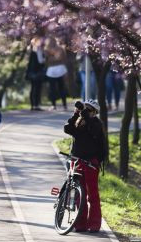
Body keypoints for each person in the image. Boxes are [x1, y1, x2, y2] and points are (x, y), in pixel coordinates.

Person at [63, 99, 108, 232]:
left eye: (89, 109)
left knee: (92, 195)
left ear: (95, 112)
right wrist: (76, 114)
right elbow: (67, 129)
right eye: (85, 108)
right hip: (77, 161)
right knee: (79, 194)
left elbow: (94, 133)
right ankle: (80, 224)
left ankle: (94, 224)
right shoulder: (79, 122)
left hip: (91, 163)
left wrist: (87, 118)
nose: (86, 111)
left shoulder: (97, 123)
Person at [44, 38, 68, 110]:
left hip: (60, 69)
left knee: (61, 88)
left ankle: (64, 105)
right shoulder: (46, 50)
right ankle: (54, 105)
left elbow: (61, 58)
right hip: (51, 71)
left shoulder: (60, 48)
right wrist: (54, 57)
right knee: (53, 89)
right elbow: (47, 60)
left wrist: (52, 57)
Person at [25, 38, 46, 111]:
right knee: (35, 88)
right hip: (35, 72)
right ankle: (34, 105)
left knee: (36, 88)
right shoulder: (34, 51)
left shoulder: (35, 51)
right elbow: (39, 61)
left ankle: (35, 105)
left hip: (35, 72)